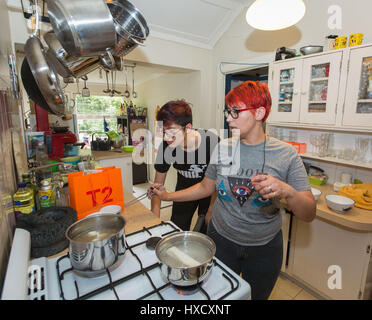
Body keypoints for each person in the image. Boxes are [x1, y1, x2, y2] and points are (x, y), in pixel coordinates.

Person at [150, 81, 316, 300]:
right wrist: (167, 196)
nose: (228, 118)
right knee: (217, 296)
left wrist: (287, 191)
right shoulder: (223, 147)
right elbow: (205, 187)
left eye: (235, 112)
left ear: (259, 112)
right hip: (221, 240)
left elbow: (309, 212)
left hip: (264, 249)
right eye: (228, 112)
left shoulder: (286, 154)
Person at [149, 100, 219, 232]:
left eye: (171, 132)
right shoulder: (166, 146)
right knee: (177, 229)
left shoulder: (212, 143)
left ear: (187, 128)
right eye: (163, 132)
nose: (166, 138)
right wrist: (154, 218)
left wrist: (211, 209)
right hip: (183, 189)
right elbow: (157, 185)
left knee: (205, 230)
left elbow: (219, 182)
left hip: (210, 191)